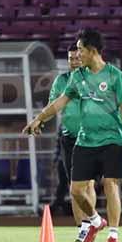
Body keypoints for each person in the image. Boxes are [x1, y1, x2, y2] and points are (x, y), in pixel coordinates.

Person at [24, 29, 122, 242]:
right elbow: (60, 102)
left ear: (92, 51)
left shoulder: (115, 76)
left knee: (110, 184)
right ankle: (96, 221)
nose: (77, 54)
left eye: (80, 49)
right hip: (85, 140)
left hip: (111, 139)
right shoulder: (77, 77)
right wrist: (39, 119)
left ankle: (113, 235)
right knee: (76, 190)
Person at [49, 44, 83, 217]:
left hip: (92, 137)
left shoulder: (95, 79)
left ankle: (91, 221)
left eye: (77, 58)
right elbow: (52, 106)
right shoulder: (61, 81)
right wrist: (40, 120)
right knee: (74, 184)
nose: (74, 62)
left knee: (89, 183)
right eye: (71, 59)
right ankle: (84, 226)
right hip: (68, 138)